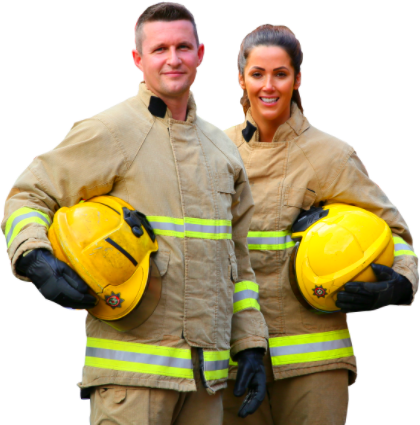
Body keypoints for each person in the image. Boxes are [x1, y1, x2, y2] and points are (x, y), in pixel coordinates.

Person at [0, 3, 269, 425]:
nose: (173, 58)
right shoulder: (110, 131)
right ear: (137, 60)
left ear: (201, 54)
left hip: (208, 384)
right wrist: (34, 256)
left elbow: (238, 264)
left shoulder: (223, 150)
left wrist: (250, 344)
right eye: (160, 48)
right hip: (133, 384)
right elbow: (29, 193)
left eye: (183, 47)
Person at [222, 23, 419, 425]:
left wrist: (398, 284)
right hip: (236, 357)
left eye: (281, 74)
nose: (269, 86)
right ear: (241, 78)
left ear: (298, 79)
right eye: (258, 74)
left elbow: (394, 232)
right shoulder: (215, 153)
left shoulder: (331, 155)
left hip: (315, 362)